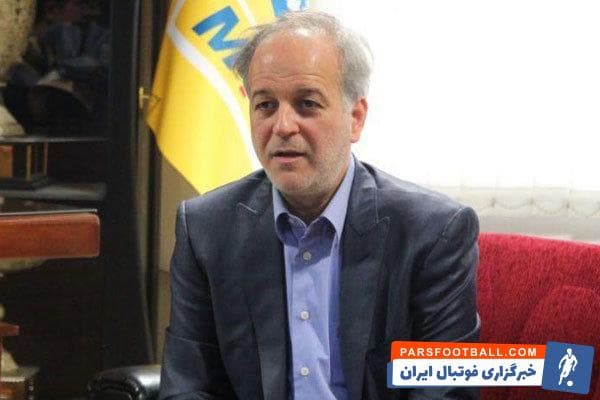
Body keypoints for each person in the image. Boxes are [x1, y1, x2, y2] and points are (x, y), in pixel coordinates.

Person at [159, 10, 479, 400]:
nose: (282, 126)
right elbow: (188, 386)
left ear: (355, 118)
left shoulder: (432, 232)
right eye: (265, 105)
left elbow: (445, 390)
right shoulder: (206, 229)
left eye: (306, 104)